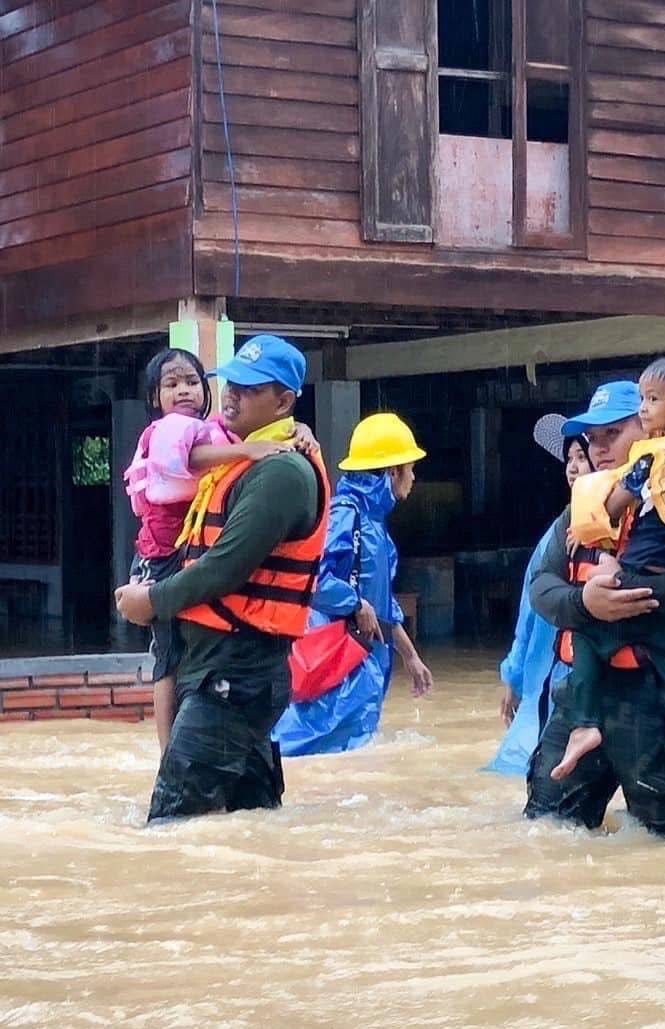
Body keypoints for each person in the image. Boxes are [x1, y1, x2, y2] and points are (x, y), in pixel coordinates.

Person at [114, 335, 332, 822]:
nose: (231, 394)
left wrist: (151, 600)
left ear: (284, 402)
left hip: (235, 673)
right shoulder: (238, 452)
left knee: (174, 821)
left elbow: (225, 567)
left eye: (250, 388)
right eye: (230, 382)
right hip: (224, 669)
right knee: (248, 822)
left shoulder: (280, 472)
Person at [523, 379, 665, 838]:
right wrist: (585, 602)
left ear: (647, 430)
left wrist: (630, 589)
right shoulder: (585, 506)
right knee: (546, 832)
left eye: (613, 434)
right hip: (582, 700)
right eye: (592, 439)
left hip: (659, 698)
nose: (599, 449)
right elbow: (542, 587)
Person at [121, 347, 299, 749]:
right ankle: (169, 752)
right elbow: (192, 460)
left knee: (186, 658)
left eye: (192, 382)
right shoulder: (166, 431)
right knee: (167, 662)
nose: (184, 391)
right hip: (162, 558)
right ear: (155, 398)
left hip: (187, 556)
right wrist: (248, 451)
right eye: (171, 384)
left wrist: (297, 430)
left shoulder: (213, 428)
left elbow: (255, 432)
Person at [273, 413, 434, 756]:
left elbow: (383, 607)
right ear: (392, 471)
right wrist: (355, 604)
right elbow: (313, 579)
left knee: (348, 757)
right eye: (411, 467)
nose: (414, 477)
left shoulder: (374, 524)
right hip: (337, 670)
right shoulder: (346, 513)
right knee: (311, 753)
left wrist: (411, 657)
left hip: (360, 673)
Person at [486, 416, 592, 777]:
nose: (574, 469)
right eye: (570, 459)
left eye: (582, 457)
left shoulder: (629, 527)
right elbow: (529, 615)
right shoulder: (558, 534)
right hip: (546, 684)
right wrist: (513, 680)